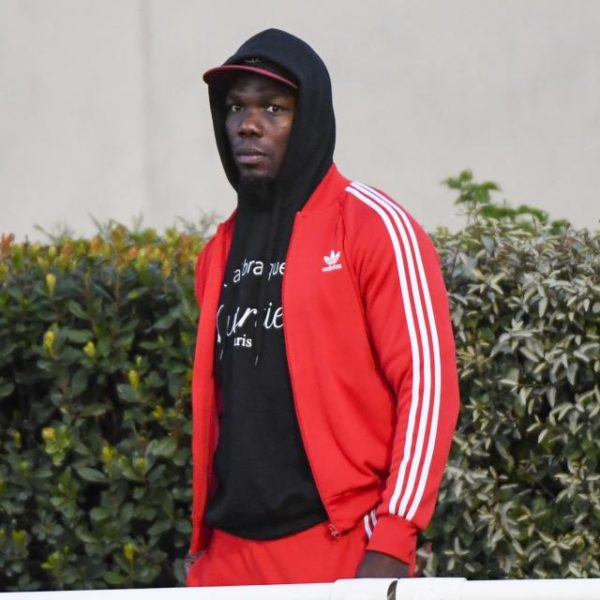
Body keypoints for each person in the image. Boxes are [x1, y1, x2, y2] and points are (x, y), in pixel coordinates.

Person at [186, 28, 460, 586]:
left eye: (273, 109)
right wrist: (202, 549)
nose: (249, 125)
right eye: (236, 107)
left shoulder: (373, 226)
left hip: (340, 551)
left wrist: (393, 539)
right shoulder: (218, 251)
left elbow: (429, 386)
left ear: (308, 118)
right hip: (227, 561)